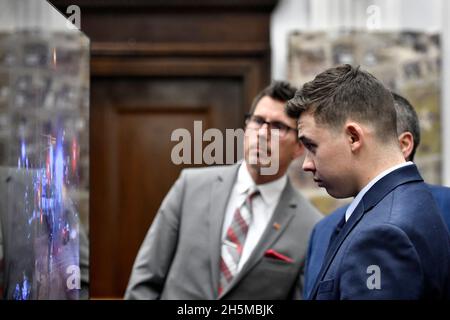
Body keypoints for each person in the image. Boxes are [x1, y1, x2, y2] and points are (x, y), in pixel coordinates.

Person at [125, 81, 322, 300]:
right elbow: (146, 279)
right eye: (257, 121)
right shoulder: (190, 186)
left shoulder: (310, 226)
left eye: (278, 127)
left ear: (299, 146)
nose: (263, 133)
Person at [286, 64, 450, 299]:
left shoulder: (383, 233)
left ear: (353, 137)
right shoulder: (410, 200)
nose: (306, 164)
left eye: (312, 146)